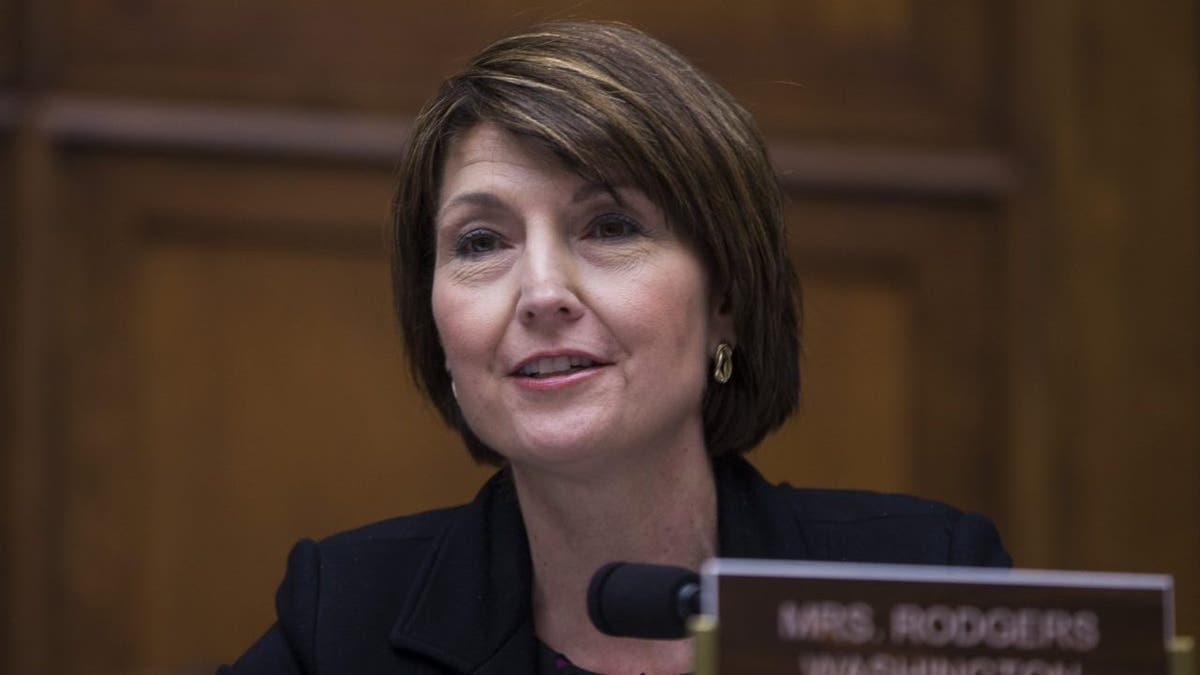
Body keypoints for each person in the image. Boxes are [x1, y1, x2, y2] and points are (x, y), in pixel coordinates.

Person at [221, 20, 1009, 675]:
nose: (540, 293)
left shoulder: (922, 588)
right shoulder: (343, 622)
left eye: (611, 227)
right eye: (482, 241)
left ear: (725, 303)